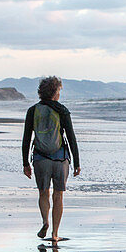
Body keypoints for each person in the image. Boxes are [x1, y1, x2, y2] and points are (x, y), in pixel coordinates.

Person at [22, 76, 81, 243]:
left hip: (40, 158)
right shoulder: (62, 110)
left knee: (43, 192)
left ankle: (45, 221)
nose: (60, 94)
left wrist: (25, 163)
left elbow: (26, 139)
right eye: (59, 90)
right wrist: (77, 162)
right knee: (58, 195)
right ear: (55, 92)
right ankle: (55, 234)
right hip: (60, 159)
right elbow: (71, 137)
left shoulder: (33, 111)